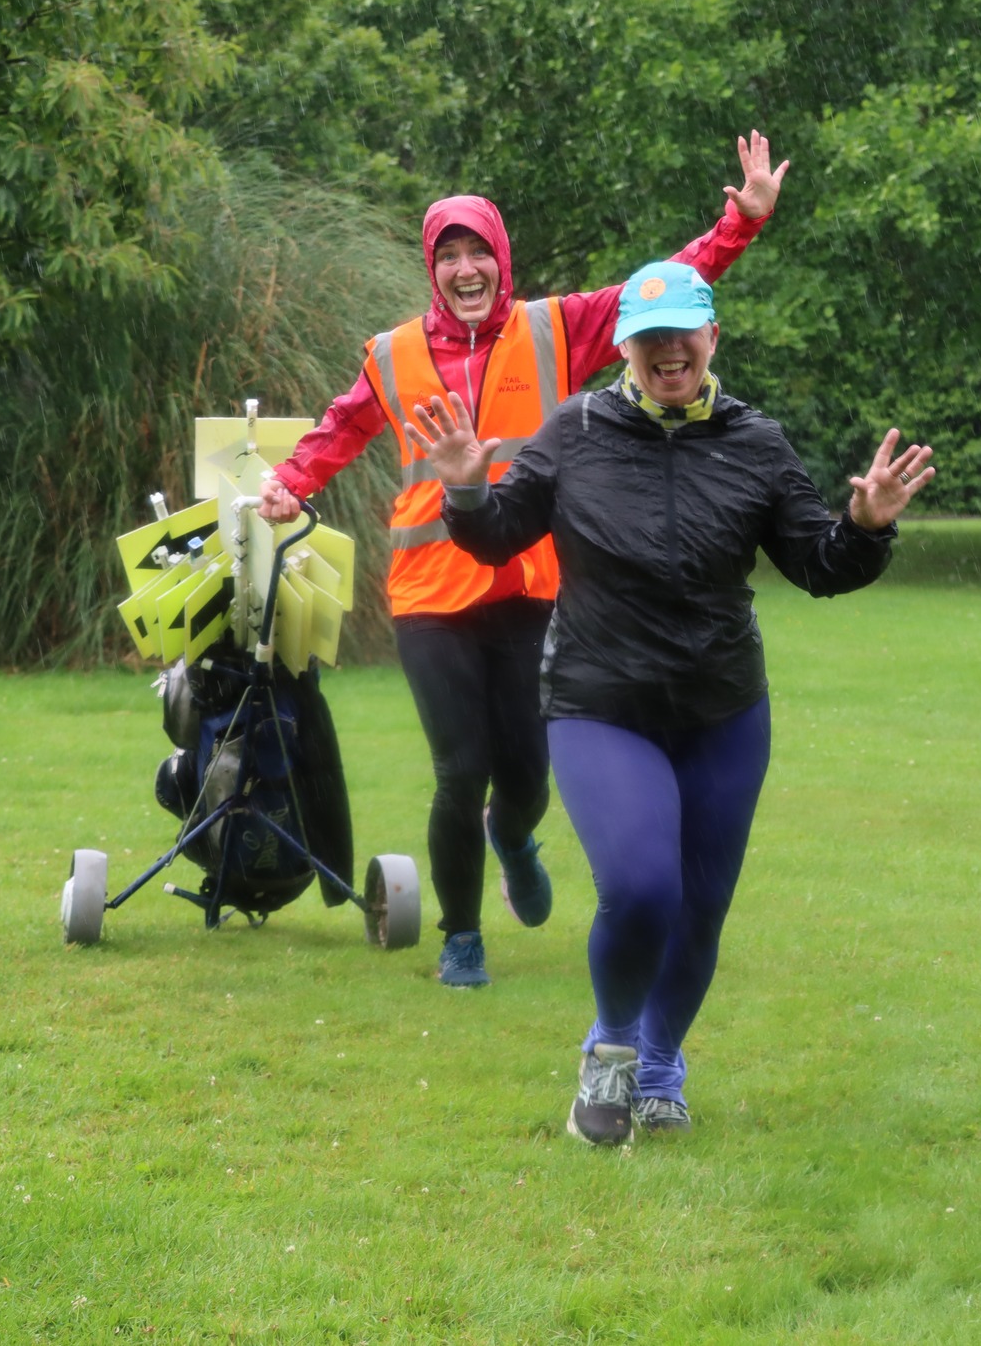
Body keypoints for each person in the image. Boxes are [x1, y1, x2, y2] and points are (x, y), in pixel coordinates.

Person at [408, 259, 935, 1143]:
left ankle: (659, 1064)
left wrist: (866, 526)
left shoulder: (755, 442)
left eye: (682, 333)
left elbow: (818, 563)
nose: (668, 352)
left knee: (700, 905)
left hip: (723, 711)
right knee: (642, 886)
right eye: (648, 338)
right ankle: (611, 1049)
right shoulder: (575, 430)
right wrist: (465, 486)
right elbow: (497, 536)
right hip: (600, 704)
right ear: (625, 348)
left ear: (712, 336)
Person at [259, 135, 790, 991]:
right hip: (430, 595)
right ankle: (462, 936)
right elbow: (341, 426)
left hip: (535, 586)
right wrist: (290, 483)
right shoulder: (392, 353)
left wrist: (742, 223)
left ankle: (512, 837)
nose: (465, 268)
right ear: (432, 270)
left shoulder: (556, 327)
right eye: (449, 255)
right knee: (458, 768)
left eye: (478, 251)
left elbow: (662, 291)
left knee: (525, 777)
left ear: (501, 259)